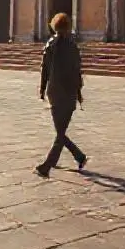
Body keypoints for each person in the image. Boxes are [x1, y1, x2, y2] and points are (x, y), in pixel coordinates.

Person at [35, 13, 87, 178]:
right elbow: (77, 72)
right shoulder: (73, 47)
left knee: (60, 132)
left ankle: (48, 165)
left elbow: (44, 70)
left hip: (54, 92)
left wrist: (42, 89)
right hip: (69, 92)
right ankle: (78, 156)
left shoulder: (49, 45)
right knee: (60, 133)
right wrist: (79, 92)